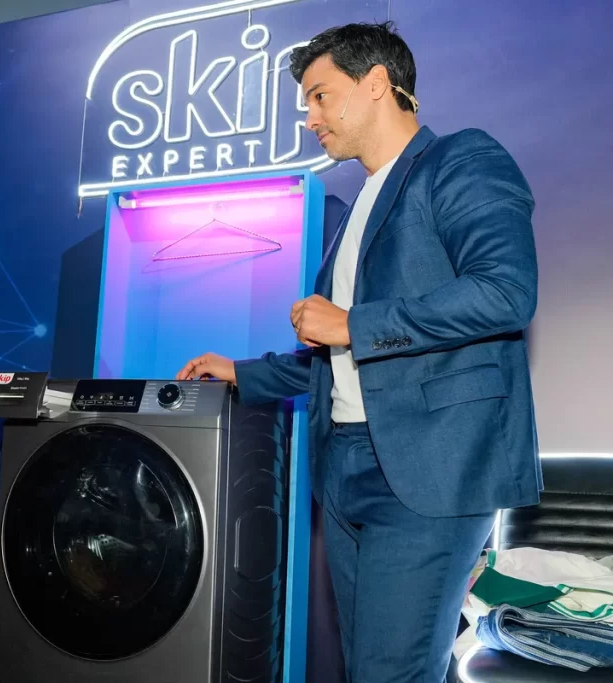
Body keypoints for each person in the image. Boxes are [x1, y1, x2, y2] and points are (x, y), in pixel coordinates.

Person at [176, 22, 540, 683]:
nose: (309, 119)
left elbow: (505, 291)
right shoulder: (357, 211)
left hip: (430, 470)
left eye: (320, 96)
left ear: (376, 83)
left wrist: (353, 323)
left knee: (388, 672)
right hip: (345, 468)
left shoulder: (460, 160)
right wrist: (242, 372)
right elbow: (340, 361)